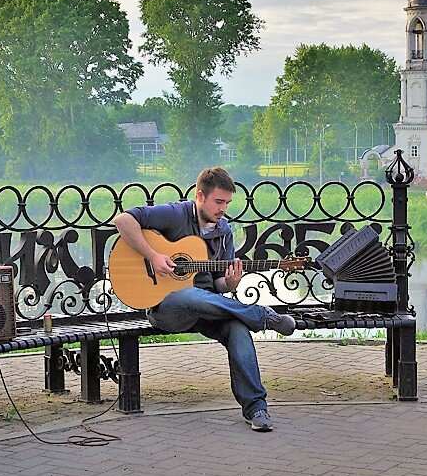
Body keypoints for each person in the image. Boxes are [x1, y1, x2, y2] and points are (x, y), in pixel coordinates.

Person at [111, 167, 296, 432]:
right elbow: (123, 221)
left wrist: (230, 283)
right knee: (188, 294)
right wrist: (153, 256)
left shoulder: (224, 233)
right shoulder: (176, 214)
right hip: (168, 309)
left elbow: (218, 285)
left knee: (237, 327)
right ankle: (263, 315)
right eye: (218, 202)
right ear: (200, 195)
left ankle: (256, 407)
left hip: (207, 308)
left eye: (227, 203)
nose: (223, 209)